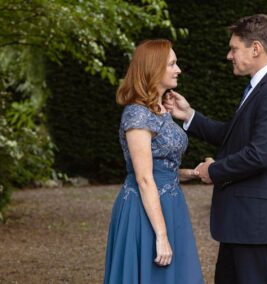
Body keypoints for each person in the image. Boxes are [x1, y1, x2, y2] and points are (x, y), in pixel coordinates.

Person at [164, 14, 267, 284]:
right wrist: (189, 115)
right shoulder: (260, 87)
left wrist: (213, 170)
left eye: (233, 48)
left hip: (256, 221)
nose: (229, 55)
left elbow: (258, 155)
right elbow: (235, 137)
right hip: (243, 220)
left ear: (255, 48)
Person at [103, 39, 204, 284]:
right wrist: (161, 234)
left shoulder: (160, 109)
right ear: (154, 69)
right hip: (143, 211)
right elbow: (144, 177)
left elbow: (161, 166)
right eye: (172, 64)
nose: (178, 69)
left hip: (170, 205)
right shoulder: (137, 113)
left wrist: (191, 173)